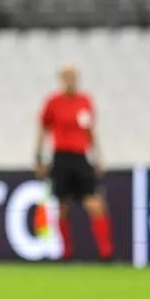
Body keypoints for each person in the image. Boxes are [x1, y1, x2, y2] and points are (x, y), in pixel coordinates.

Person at [35, 65, 114, 261]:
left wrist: (98, 156)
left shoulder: (84, 101)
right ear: (61, 79)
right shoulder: (53, 102)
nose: (70, 80)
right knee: (62, 207)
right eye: (66, 77)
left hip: (80, 157)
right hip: (61, 157)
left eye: (73, 77)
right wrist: (39, 158)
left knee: (95, 204)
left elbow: (90, 131)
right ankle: (67, 253)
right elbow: (43, 130)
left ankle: (106, 253)